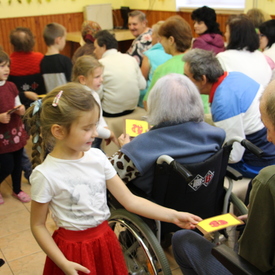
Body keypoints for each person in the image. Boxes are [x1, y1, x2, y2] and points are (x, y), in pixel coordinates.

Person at [24, 82, 201, 275]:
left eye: (95, 125)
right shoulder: (46, 175)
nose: (95, 133)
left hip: (105, 241)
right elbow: (38, 225)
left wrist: (173, 215)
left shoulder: (98, 158)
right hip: (72, 252)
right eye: (86, 128)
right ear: (58, 131)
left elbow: (130, 200)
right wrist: (63, 262)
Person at [172, 80, 275, 275]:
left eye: (268, 128)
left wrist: (256, 226)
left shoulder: (268, 180)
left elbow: (253, 259)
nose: (268, 138)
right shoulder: (213, 134)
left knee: (182, 239)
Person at [109, 73, 225, 196]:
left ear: (156, 105)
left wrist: (126, 149)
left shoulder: (140, 146)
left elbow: (108, 175)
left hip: (156, 210)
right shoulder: (216, 134)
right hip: (203, 203)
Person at [183, 48, 275, 178]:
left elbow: (234, 156)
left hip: (258, 162)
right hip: (269, 147)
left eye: (187, 77)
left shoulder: (223, 104)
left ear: (203, 79)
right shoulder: (235, 76)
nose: (184, 81)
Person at [142, 15, 209, 113]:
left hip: (175, 124)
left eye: (162, 39)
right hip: (203, 120)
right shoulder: (202, 63)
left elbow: (148, 103)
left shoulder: (163, 69)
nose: (160, 43)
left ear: (171, 40)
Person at [0, 50, 31, 204]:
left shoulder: (11, 86)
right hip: (2, 137)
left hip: (16, 132)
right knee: (6, 165)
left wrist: (20, 109)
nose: (6, 70)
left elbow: (19, 105)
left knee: (18, 164)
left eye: (7, 66)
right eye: (1, 66)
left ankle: (17, 189)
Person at [93, 30, 146, 117]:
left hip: (110, 111)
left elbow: (98, 94)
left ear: (103, 47)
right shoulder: (130, 59)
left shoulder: (100, 64)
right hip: (132, 108)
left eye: (95, 48)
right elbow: (142, 85)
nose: (94, 51)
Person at [71, 55, 118, 149]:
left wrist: (105, 127)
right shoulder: (84, 99)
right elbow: (90, 126)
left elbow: (99, 116)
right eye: (97, 77)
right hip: (87, 140)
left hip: (94, 134)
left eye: (101, 76)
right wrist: (109, 134)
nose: (102, 79)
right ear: (83, 79)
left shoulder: (93, 94)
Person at [216, 14, 272, 87]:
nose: (225, 34)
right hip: (263, 97)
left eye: (227, 31)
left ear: (234, 36)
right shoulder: (262, 57)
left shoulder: (222, 58)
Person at [8, 26, 46, 108]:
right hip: (41, 102)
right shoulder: (41, 58)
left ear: (12, 44)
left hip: (19, 105)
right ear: (32, 42)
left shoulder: (8, 64)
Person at [139, 21, 172, 107]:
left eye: (152, 34)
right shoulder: (174, 53)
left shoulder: (149, 55)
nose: (151, 37)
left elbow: (142, 79)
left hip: (153, 98)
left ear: (159, 38)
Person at [40, 22, 73, 93]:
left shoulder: (43, 62)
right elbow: (72, 83)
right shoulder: (65, 60)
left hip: (50, 99)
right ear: (58, 40)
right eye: (64, 39)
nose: (65, 42)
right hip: (65, 99)